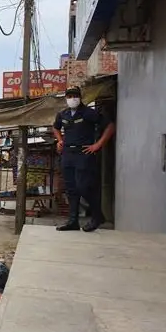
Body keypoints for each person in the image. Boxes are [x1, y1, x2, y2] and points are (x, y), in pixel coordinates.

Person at [52, 86, 116, 232]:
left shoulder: (88, 113)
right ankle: (73, 221)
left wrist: (97, 145)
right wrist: (59, 140)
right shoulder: (63, 114)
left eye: (74, 96)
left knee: (84, 187)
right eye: (69, 96)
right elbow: (55, 128)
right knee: (71, 189)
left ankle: (97, 216)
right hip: (68, 153)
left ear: (80, 97)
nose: (71, 99)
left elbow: (110, 127)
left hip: (84, 154)